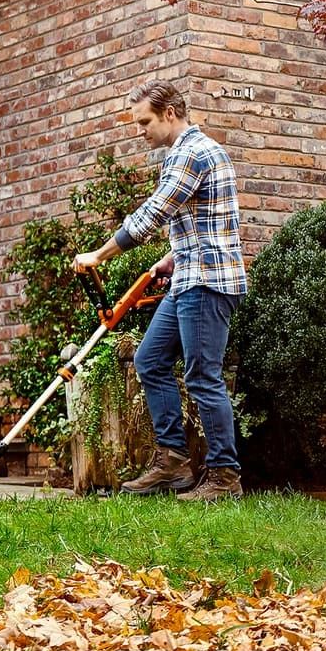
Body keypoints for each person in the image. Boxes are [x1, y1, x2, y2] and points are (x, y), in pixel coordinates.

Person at [73, 80, 247, 501]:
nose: (141, 130)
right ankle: (173, 461)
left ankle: (225, 479)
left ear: (170, 113)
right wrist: (172, 256)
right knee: (150, 360)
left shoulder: (190, 152)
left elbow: (155, 212)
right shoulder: (190, 151)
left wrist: (101, 253)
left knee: (203, 376)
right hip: (189, 273)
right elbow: (205, 220)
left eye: (145, 121)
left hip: (206, 281)